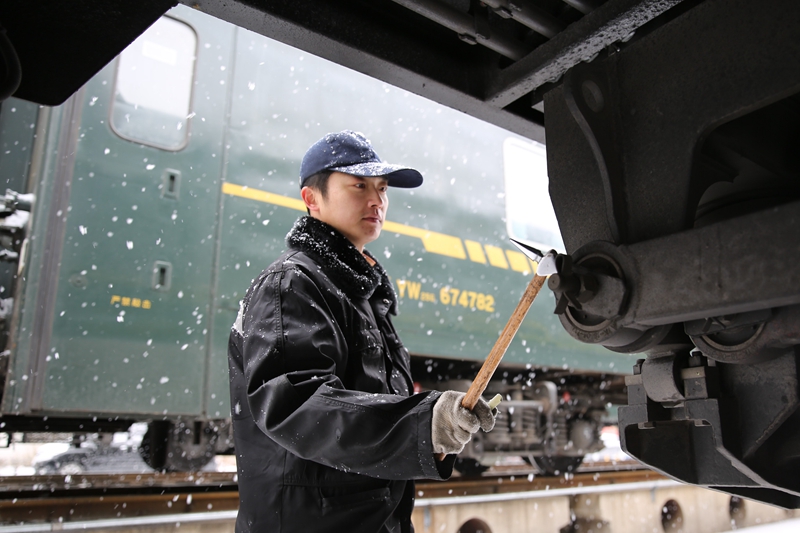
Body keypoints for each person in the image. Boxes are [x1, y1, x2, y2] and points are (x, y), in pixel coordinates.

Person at [228, 130, 496, 533]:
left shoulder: (360, 293)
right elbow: (298, 406)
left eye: (382, 188)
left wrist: (436, 432)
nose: (377, 200)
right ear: (311, 198)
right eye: (359, 186)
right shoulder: (292, 284)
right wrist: (421, 425)